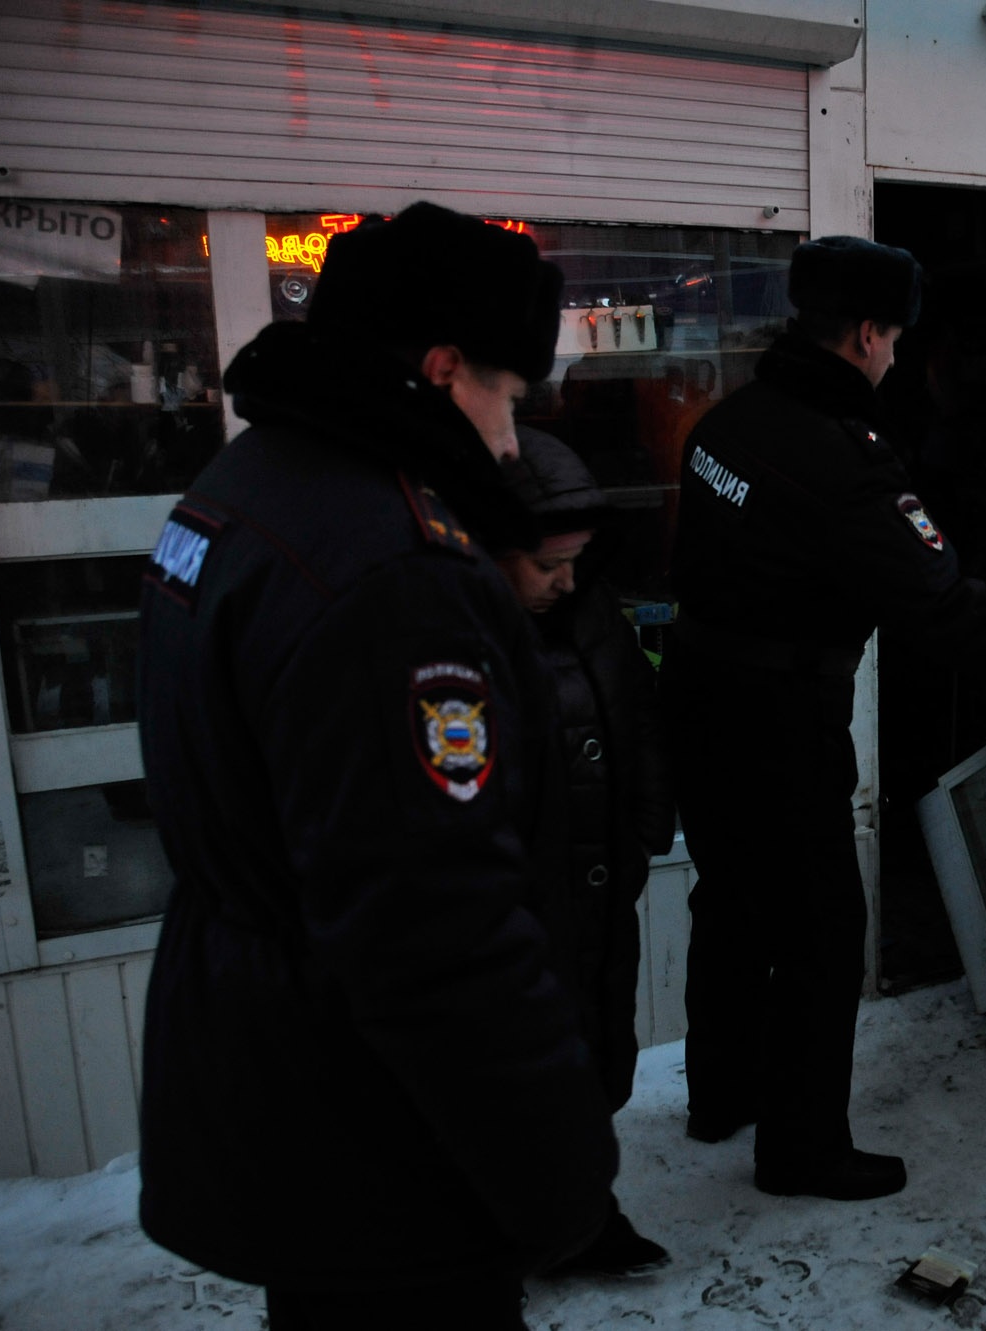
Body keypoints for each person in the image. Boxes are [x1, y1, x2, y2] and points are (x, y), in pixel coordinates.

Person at [136, 204, 618, 1329]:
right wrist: (556, 1176)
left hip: (283, 1079)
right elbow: (432, 928)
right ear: (444, 368)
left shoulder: (246, 486)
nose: (510, 440)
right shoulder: (394, 571)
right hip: (376, 1127)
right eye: (506, 398)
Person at [662, 235, 986, 1202]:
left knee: (731, 896)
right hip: (780, 714)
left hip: (697, 693)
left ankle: (720, 1090)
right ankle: (802, 1147)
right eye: (893, 337)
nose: (895, 356)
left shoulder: (725, 427)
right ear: (866, 333)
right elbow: (947, 609)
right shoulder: (846, 465)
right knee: (821, 928)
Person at [494, 427, 677, 1276]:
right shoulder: (466, 639)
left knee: (597, 1057)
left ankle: (581, 1215)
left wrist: (644, 835)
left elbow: (636, 717)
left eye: (577, 558)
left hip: (600, 889)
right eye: (547, 563)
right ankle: (514, 1233)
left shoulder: (591, 606)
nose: (566, 578)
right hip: (526, 908)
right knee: (519, 1075)